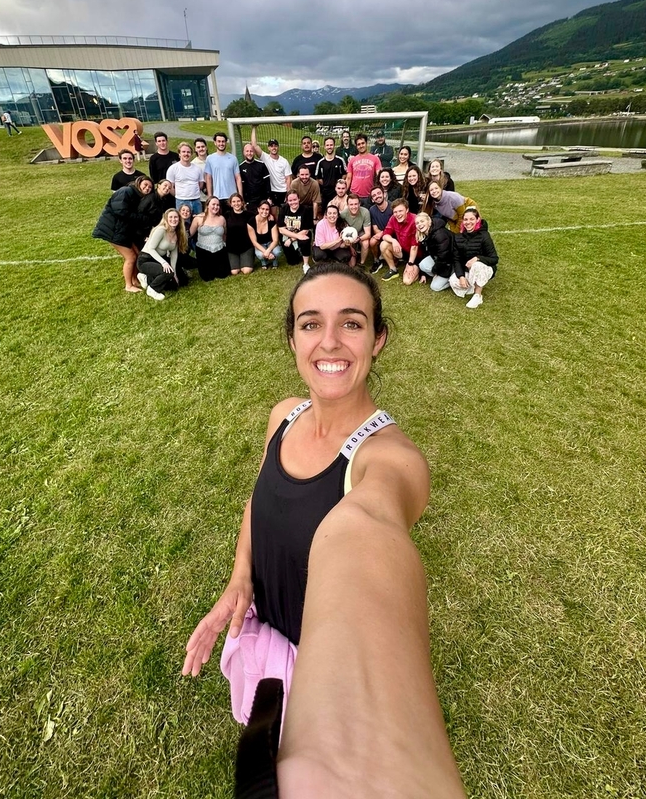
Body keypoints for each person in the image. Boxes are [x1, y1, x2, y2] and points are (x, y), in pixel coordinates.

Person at [182, 264, 466, 799]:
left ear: (378, 339)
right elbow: (259, 498)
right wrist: (240, 577)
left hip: (322, 671)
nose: (329, 341)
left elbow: (368, 530)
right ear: (291, 338)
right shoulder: (283, 416)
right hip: (266, 626)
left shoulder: (390, 460)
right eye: (310, 324)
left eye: (352, 324)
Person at [92, 176, 153, 292]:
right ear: (139, 183)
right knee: (131, 257)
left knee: (137, 254)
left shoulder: (137, 196)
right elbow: (121, 211)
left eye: (150, 187)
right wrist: (142, 218)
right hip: (113, 231)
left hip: (123, 231)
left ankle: (134, 280)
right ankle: (128, 285)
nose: (147, 188)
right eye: (145, 184)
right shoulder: (126, 191)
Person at [450, 206, 498, 309]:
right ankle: (473, 284)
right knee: (453, 281)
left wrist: (477, 258)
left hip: (484, 267)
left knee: (476, 266)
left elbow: (494, 259)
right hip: (468, 269)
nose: (468, 222)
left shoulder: (484, 235)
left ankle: (478, 295)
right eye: (466, 219)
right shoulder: (458, 237)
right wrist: (461, 276)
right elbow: (456, 259)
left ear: (478, 220)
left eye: (472, 219)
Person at [136, 208, 189, 301]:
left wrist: (175, 274)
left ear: (179, 219)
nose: (173, 219)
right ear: (166, 219)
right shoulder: (161, 230)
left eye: (176, 217)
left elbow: (174, 254)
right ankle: (152, 289)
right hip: (146, 260)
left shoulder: (177, 233)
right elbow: (151, 249)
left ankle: (147, 278)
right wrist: (164, 263)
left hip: (158, 260)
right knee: (167, 272)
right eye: (171, 217)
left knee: (178, 283)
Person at [250, 128, 292, 215]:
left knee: (284, 214)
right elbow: (254, 146)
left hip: (283, 191)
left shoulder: (284, 161)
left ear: (278, 147)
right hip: (271, 191)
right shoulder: (265, 158)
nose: (274, 147)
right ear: (268, 148)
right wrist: (254, 128)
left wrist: (288, 192)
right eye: (271, 146)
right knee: (272, 215)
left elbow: (288, 178)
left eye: (275, 145)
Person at [189, 197, 230, 282]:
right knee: (207, 277)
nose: (216, 207)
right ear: (207, 205)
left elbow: (225, 234)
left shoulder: (222, 219)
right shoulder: (199, 218)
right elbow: (190, 234)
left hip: (219, 250)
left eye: (218, 205)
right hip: (203, 251)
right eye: (213, 204)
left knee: (223, 274)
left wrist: (224, 246)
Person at [378, 198, 418, 282]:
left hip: (416, 255)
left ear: (407, 210)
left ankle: (419, 269)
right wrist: (393, 241)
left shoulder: (415, 220)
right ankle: (393, 270)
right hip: (403, 250)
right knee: (383, 244)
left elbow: (415, 246)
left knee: (407, 281)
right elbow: (385, 235)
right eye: (395, 212)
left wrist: (410, 264)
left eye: (400, 211)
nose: (398, 214)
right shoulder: (393, 218)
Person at [278, 190, 314, 273]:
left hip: (302, 233)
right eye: (290, 200)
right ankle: (297, 252)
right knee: (293, 262)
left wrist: (291, 239)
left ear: (299, 199)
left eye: (295, 199)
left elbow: (305, 230)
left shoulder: (306, 210)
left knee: (305, 240)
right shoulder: (283, 209)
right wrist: (294, 237)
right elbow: (281, 229)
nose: (293, 202)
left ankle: (305, 264)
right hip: (288, 234)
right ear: (287, 201)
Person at [205, 133, 243, 211]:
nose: (221, 143)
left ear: (226, 142)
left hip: (232, 197)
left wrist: (240, 195)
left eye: (223, 141)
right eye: (219, 141)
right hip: (217, 197)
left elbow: (238, 178)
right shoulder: (210, 158)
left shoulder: (233, 158)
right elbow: (208, 178)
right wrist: (210, 196)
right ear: (215, 142)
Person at [418, 216, 455, 291]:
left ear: (429, 221)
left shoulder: (440, 235)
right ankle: (441, 277)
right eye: (417, 223)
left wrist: (435, 271)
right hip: (440, 261)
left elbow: (444, 258)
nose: (419, 224)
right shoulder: (426, 234)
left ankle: (452, 279)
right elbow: (425, 253)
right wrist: (423, 274)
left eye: (422, 221)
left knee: (435, 287)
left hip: (451, 263)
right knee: (422, 265)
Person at [167, 142, 205, 213]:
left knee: (198, 222)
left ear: (191, 154)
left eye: (188, 152)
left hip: (196, 200)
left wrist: (194, 193)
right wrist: (178, 195)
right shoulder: (173, 168)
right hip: (181, 201)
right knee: (183, 223)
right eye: (183, 152)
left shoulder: (197, 168)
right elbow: (170, 186)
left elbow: (201, 183)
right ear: (179, 154)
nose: (186, 154)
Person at [345, 134, 381, 206]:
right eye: (358, 144)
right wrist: (344, 193)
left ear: (366, 143)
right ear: (356, 146)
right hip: (354, 195)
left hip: (369, 195)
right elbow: (348, 178)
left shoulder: (375, 159)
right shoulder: (352, 160)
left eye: (363, 143)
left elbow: (379, 175)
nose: (361, 146)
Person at [137, 178, 175, 246]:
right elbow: (139, 214)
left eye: (169, 188)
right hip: (144, 232)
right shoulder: (150, 198)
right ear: (158, 186)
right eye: (165, 185)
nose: (167, 188)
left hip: (155, 230)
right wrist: (144, 234)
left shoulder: (166, 200)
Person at [225, 193, 255, 276]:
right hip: (232, 248)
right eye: (234, 202)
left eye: (238, 201)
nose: (236, 203)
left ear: (242, 202)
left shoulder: (249, 215)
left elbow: (260, 217)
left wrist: (270, 215)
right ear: (230, 204)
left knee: (246, 271)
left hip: (246, 246)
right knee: (234, 272)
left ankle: (246, 260)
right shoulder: (226, 215)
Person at [248, 200, 282, 269]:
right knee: (260, 254)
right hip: (259, 244)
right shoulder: (251, 222)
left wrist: (268, 250)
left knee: (277, 251)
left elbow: (275, 240)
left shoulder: (271, 221)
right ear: (258, 209)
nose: (264, 211)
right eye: (262, 209)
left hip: (270, 243)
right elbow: (254, 242)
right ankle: (264, 262)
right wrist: (266, 252)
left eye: (267, 209)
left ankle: (275, 261)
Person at [340, 193, 372, 268]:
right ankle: (353, 255)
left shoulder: (365, 212)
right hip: (348, 235)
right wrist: (350, 246)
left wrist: (358, 239)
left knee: (366, 243)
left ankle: (361, 263)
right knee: (352, 265)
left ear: (359, 204)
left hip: (360, 233)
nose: (354, 207)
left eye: (356, 204)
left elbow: (368, 234)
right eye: (351, 204)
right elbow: (342, 233)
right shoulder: (343, 214)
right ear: (347, 205)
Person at [315, 137, 347, 208]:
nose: (329, 147)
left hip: (338, 193)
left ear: (334, 146)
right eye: (327, 145)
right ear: (324, 147)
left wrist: (338, 184)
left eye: (331, 145)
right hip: (326, 194)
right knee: (327, 214)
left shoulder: (340, 160)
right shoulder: (321, 162)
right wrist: (327, 184)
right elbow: (318, 178)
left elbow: (345, 174)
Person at [368, 185, 393, 274]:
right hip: (381, 234)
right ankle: (376, 260)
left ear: (384, 194)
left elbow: (394, 227)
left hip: (393, 235)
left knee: (395, 260)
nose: (377, 196)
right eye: (374, 195)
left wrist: (384, 234)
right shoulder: (372, 209)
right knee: (372, 241)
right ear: (372, 199)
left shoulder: (392, 207)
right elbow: (375, 227)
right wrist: (380, 234)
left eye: (379, 193)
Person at [239, 141, 270, 209]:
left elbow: (267, 183)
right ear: (244, 153)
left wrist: (268, 197)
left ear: (254, 152)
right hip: (249, 201)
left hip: (261, 200)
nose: (249, 153)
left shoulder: (261, 165)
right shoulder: (241, 167)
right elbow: (241, 185)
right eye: (247, 151)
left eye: (251, 151)